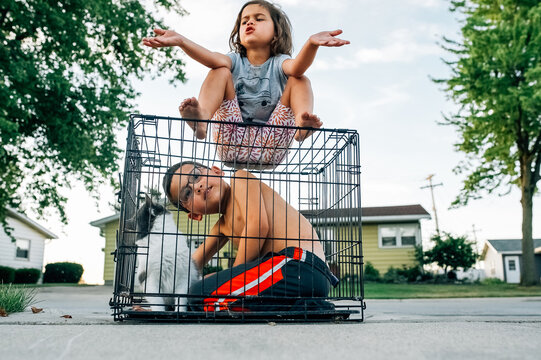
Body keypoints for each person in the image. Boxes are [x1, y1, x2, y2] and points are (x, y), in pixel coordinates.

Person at [143, 0, 349, 167]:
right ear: (239, 33)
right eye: (244, 21)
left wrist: (312, 43)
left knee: (299, 79)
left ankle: (302, 127)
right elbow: (210, 57)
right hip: (231, 140)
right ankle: (201, 122)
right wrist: (181, 41)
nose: (250, 23)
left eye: (259, 19)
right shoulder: (233, 61)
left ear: (276, 33)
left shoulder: (279, 63)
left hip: (272, 144)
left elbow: (297, 68)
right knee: (219, 70)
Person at [162, 161, 338, 312]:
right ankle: (300, 307)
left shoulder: (240, 179)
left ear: (216, 171)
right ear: (194, 215)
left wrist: (230, 277)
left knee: (198, 295)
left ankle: (297, 305)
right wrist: (163, 302)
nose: (196, 187)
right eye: (187, 193)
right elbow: (190, 267)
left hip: (301, 265)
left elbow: (258, 226)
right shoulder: (222, 227)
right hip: (287, 280)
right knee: (196, 294)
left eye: (195, 177)